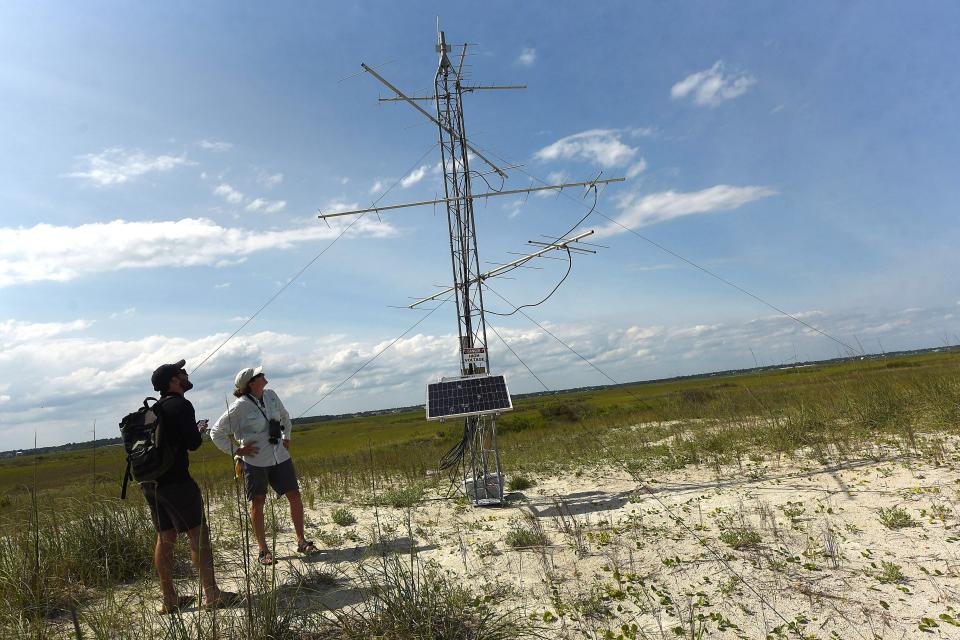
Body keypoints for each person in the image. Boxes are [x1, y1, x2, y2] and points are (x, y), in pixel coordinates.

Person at [144, 359, 241, 614]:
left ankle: (170, 599)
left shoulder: (153, 410)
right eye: (182, 371)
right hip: (176, 482)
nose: (186, 374)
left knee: (165, 538)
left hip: (150, 484)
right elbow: (192, 444)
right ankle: (212, 595)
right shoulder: (182, 405)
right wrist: (198, 431)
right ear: (174, 381)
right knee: (198, 534)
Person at [210, 366, 318, 565]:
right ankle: (263, 550)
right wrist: (236, 451)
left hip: (280, 455)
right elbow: (215, 432)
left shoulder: (271, 395)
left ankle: (302, 542)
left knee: (294, 495)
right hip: (255, 461)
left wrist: (287, 436)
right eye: (259, 375)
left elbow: (285, 416)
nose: (264, 376)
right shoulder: (239, 406)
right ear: (251, 383)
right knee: (258, 502)